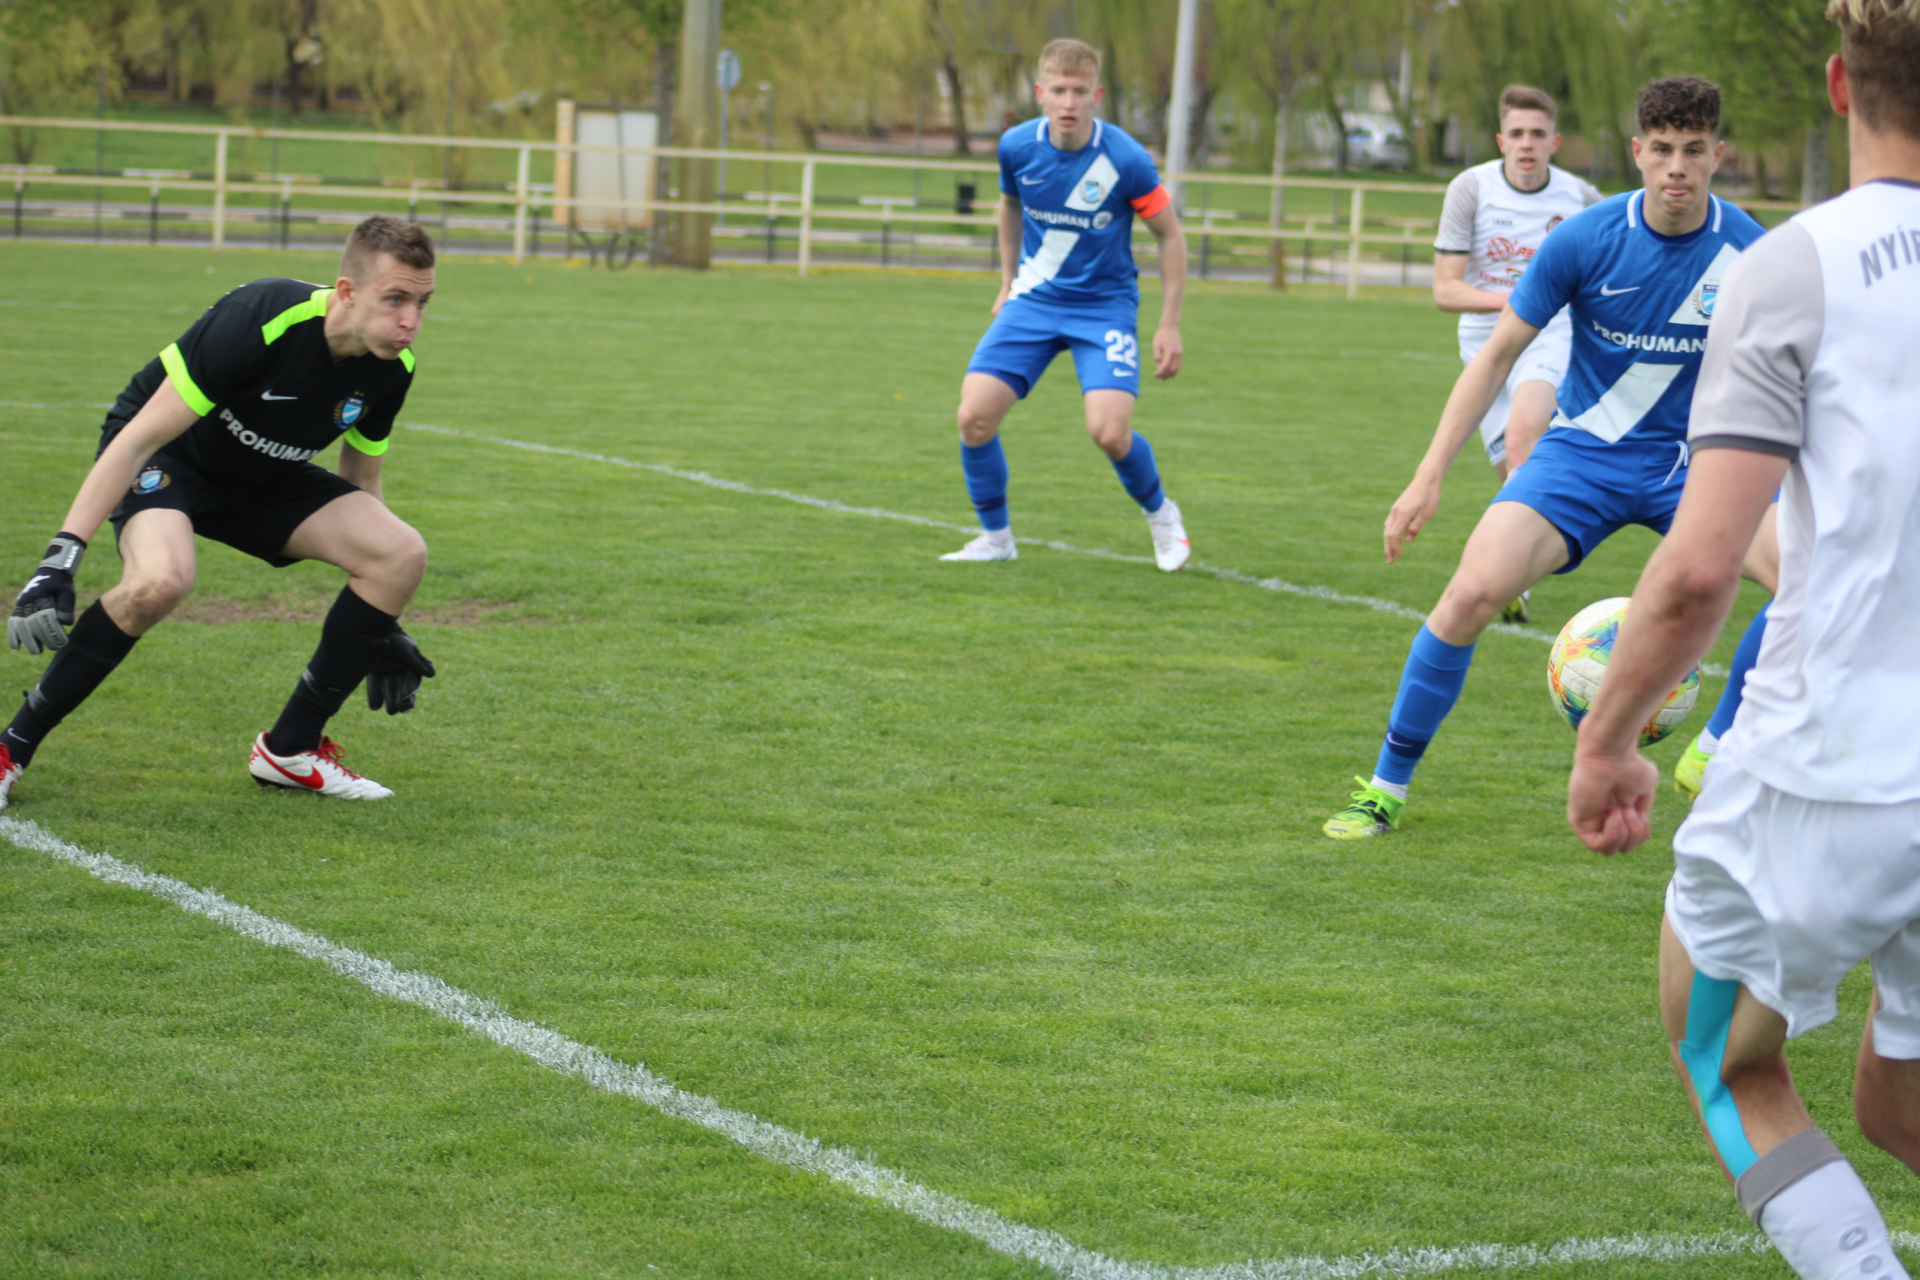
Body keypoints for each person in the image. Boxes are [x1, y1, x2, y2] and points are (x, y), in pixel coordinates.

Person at [1568, 5, 1920, 1273]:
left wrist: (1609, 740)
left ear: (1837, 85)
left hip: (1834, 765)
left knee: (1724, 1056)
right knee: (1899, 1106)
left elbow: (1699, 567)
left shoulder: (1792, 264)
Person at [1321, 76, 1769, 840]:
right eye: (1663, 150)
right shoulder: (1585, 239)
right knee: (1469, 594)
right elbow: (1497, 356)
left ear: (1717, 155)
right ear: (1637, 151)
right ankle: (1385, 790)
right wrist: (1428, 476)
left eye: (1694, 151)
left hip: (1697, 465)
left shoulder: (1753, 252)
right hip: (1583, 456)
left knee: (1813, 578)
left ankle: (1715, 745)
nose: (1677, 168)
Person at [1, 215, 439, 807]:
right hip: (172, 459)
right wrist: (60, 559)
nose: (411, 321)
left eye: (421, 302)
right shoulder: (262, 317)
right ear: (346, 292)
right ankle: (11, 748)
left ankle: (290, 750)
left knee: (399, 552)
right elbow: (135, 441)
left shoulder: (393, 368)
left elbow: (360, 482)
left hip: (264, 477)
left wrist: (378, 626)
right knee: (160, 581)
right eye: (395, 300)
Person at [939, 37, 1192, 572]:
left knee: (1110, 433)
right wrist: (1008, 280)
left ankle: (1161, 513)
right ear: (1040, 93)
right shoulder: (1016, 146)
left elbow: (1170, 236)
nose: (1069, 102)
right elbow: (1009, 206)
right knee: (973, 417)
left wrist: (1169, 324)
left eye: (1079, 91)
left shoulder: (1125, 159)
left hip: (1103, 308)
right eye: (1058, 90)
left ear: (1096, 95)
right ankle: (996, 538)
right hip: (1034, 300)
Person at [1432, 85, 1604, 624]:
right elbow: (1445, 289)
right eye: (1517, 134)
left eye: (1538, 134)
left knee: (1524, 438)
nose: (1527, 144)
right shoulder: (1470, 189)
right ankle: (1511, 566)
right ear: (1501, 140)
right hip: (1484, 344)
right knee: (1515, 471)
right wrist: (1516, 300)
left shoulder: (1583, 198)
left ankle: (1501, 578)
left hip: (1551, 334)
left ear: (1555, 142)